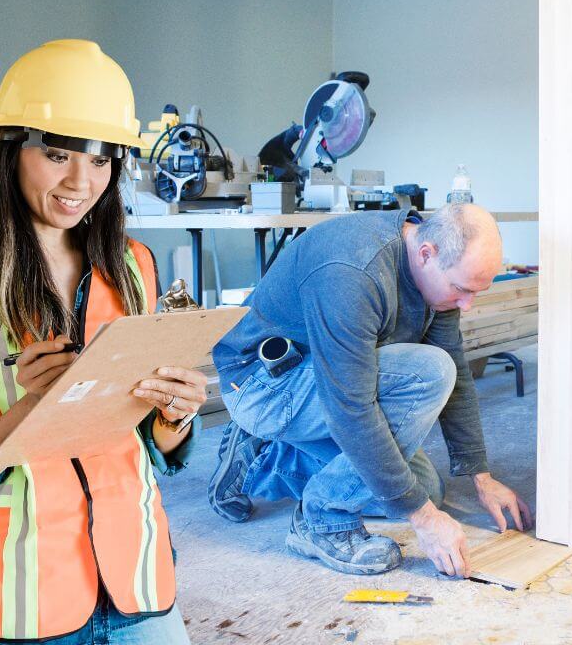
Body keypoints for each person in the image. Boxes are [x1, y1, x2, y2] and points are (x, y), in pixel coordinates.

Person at [0, 40, 207, 643]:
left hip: (138, 579)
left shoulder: (134, 267)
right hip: (23, 599)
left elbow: (152, 445)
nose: (80, 181)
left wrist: (177, 415)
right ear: (9, 151)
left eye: (101, 162)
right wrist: (29, 413)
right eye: (57, 154)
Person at [208, 203, 532, 577]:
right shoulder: (352, 271)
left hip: (323, 379)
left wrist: (481, 476)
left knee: (424, 488)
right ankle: (322, 520)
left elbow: (458, 371)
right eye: (461, 289)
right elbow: (350, 406)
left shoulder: (435, 272)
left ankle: (265, 459)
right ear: (427, 254)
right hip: (262, 385)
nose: (467, 305)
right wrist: (424, 520)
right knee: (428, 374)